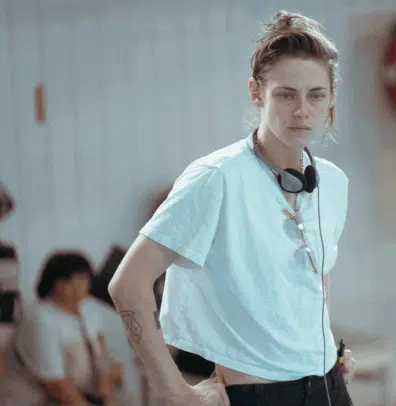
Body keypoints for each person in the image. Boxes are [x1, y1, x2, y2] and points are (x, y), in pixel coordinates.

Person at [108, 10, 354, 406]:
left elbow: (314, 280)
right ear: (257, 93)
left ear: (332, 95)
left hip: (329, 385)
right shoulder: (216, 178)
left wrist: (324, 350)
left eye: (316, 95)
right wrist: (178, 393)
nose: (302, 110)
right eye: (286, 94)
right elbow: (127, 285)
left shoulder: (332, 182)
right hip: (258, 393)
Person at [2, 251, 116, 406]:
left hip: (80, 397)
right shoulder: (40, 318)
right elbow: (56, 385)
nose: (77, 285)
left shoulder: (90, 309)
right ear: (53, 284)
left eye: (82, 278)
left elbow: (102, 363)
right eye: (68, 280)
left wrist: (106, 400)